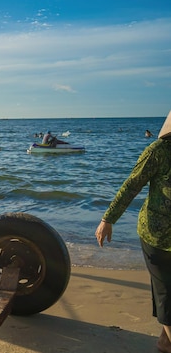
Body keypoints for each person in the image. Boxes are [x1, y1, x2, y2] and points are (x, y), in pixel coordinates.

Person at [95, 110, 171, 353]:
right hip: (156, 236)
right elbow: (131, 185)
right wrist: (108, 218)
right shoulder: (158, 151)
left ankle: (164, 342)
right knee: (166, 293)